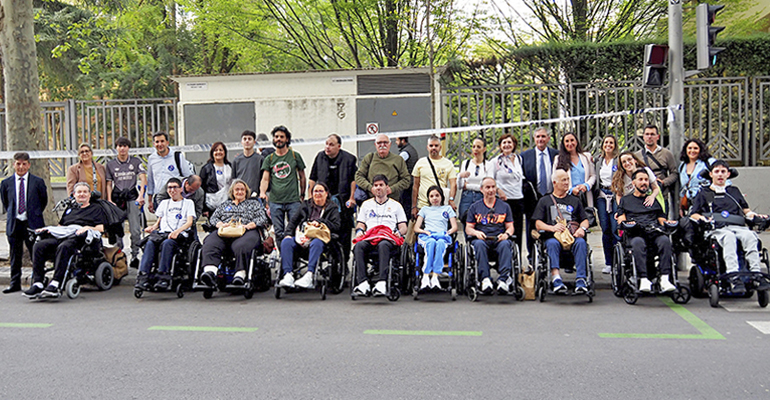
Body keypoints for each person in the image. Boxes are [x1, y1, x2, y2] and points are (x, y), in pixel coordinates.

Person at [690, 160, 770, 293]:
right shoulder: (704, 193)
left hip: (738, 227)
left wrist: (756, 216)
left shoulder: (734, 191)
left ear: (728, 174)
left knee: (750, 236)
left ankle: (756, 273)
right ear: (711, 174)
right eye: (717, 171)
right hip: (718, 229)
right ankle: (734, 276)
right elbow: (693, 215)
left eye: (723, 172)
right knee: (729, 238)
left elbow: (746, 211)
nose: (720, 175)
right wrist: (703, 219)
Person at [23, 182, 107, 299]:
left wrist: (87, 228)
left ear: (89, 195)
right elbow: (60, 226)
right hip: (64, 235)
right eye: (79, 192)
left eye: (84, 192)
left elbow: (100, 229)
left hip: (81, 239)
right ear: (74, 195)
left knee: (64, 247)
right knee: (39, 246)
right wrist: (49, 230)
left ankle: (56, 283)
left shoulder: (95, 208)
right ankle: (38, 282)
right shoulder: (70, 209)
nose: (82, 194)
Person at [616, 169, 677, 293]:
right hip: (635, 233)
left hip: (654, 232)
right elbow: (621, 219)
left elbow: (661, 219)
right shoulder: (626, 200)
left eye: (646, 180)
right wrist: (626, 223)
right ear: (633, 183)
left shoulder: (653, 201)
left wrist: (667, 223)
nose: (644, 182)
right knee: (638, 243)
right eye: (640, 179)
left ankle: (665, 278)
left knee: (665, 241)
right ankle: (643, 278)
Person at [198, 179, 270, 287]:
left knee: (241, 246)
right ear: (232, 192)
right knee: (210, 243)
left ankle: (240, 274)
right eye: (237, 190)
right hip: (226, 230)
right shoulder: (225, 205)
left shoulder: (253, 204)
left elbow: (263, 218)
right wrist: (219, 224)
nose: (239, 192)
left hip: (246, 230)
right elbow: (214, 218)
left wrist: (252, 224)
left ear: (246, 192)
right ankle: (210, 272)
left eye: (242, 190)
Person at [532, 170, 590, 294]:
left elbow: (584, 220)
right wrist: (552, 228)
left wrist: (582, 229)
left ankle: (581, 279)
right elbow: (538, 223)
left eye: (567, 179)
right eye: (563, 180)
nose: (567, 182)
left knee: (581, 243)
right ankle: (556, 278)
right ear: (554, 183)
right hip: (553, 237)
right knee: (552, 244)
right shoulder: (545, 201)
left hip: (572, 236)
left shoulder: (575, 200)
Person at [352, 175, 408, 297]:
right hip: (371, 237)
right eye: (376, 185)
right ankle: (363, 283)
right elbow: (360, 224)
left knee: (383, 245)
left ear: (387, 187)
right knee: (359, 246)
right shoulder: (366, 205)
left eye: (381, 185)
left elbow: (403, 226)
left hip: (388, 238)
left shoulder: (396, 205)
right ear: (372, 188)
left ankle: (382, 283)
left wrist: (399, 233)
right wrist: (359, 231)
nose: (378, 188)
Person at [135, 177, 196, 291]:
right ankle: (143, 277)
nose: (172, 190)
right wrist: (153, 227)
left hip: (179, 235)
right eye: (169, 188)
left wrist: (177, 232)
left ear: (180, 189)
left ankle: (163, 276)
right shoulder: (164, 203)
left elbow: (189, 222)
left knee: (167, 244)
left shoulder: (188, 203)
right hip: (163, 234)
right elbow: (159, 220)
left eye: (174, 187)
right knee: (149, 243)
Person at [278, 182, 341, 289]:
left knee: (316, 242)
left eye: (321, 191)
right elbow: (293, 221)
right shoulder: (306, 205)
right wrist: (288, 234)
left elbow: (336, 225)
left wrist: (321, 222)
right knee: (286, 242)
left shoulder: (332, 207)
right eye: (315, 191)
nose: (318, 193)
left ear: (326, 193)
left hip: (320, 240)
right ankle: (288, 274)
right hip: (303, 237)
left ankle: (309, 275)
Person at [1, 152, 48, 294]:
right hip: (15, 223)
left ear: (28, 165)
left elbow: (43, 201)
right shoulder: (6, 183)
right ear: (14, 164)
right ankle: (15, 282)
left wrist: (33, 214)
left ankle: (38, 281)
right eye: (18, 164)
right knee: (15, 254)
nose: (21, 167)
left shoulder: (37, 182)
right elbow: (6, 201)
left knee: (36, 252)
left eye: (24, 164)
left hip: (32, 223)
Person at [308, 133, 357, 259]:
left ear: (339, 146)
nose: (327, 147)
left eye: (331, 145)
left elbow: (353, 181)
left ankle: (344, 262)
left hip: (342, 200)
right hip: (324, 201)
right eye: (326, 144)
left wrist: (352, 198)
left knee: (344, 232)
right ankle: (328, 260)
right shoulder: (320, 157)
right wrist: (310, 197)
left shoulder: (349, 159)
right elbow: (312, 179)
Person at [465, 177, 515, 294]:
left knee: (506, 244)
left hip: (499, 238)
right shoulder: (475, 207)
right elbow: (468, 228)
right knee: (478, 244)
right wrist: (476, 232)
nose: (491, 190)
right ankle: (485, 279)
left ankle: (504, 279)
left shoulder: (504, 206)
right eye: (487, 187)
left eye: (493, 187)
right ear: (482, 189)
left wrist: (506, 234)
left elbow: (510, 226)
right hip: (482, 238)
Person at [105, 137, 147, 269]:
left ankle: (135, 255)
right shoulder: (111, 164)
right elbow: (108, 183)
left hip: (132, 197)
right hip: (117, 198)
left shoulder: (135, 161)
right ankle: (119, 256)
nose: (122, 148)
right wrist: (110, 199)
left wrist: (141, 196)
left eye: (125, 146)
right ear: (116, 148)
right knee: (118, 230)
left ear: (128, 148)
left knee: (135, 230)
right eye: (119, 146)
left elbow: (143, 178)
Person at [260, 125, 306, 239]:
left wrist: (303, 193)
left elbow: (302, 176)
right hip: (275, 201)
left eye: (281, 136)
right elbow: (265, 179)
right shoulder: (269, 159)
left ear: (287, 139)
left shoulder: (295, 156)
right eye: (276, 137)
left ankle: (294, 256)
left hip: (293, 201)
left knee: (294, 230)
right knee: (278, 232)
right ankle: (282, 256)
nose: (278, 139)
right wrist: (262, 192)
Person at [521, 127, 558, 257]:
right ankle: (532, 256)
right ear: (534, 138)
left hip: (551, 197)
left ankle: (552, 255)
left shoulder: (556, 154)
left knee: (553, 224)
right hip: (532, 198)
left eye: (543, 136)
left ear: (548, 138)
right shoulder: (525, 156)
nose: (540, 139)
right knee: (532, 227)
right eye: (538, 137)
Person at [414, 185, 458, 290]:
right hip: (428, 235)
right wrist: (425, 231)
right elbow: (416, 228)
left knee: (440, 244)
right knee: (431, 243)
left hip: (441, 235)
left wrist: (448, 232)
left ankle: (435, 276)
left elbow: (455, 226)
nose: (434, 198)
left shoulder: (447, 209)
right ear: (428, 198)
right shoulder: (424, 209)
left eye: (437, 195)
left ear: (441, 197)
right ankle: (425, 275)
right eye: (431, 196)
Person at [635, 124, 678, 217]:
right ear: (643, 137)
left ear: (657, 137)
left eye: (652, 134)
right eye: (647, 134)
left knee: (662, 223)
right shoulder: (637, 156)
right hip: (643, 196)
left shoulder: (666, 153)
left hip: (661, 195)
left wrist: (663, 182)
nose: (649, 137)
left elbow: (674, 173)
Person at [146, 131, 194, 213]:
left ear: (167, 142)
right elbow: (150, 180)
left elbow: (188, 177)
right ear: (154, 144)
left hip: (176, 196)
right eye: (157, 142)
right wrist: (150, 200)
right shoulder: (151, 159)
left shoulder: (177, 156)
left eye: (162, 141)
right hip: (160, 197)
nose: (160, 144)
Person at [411, 134, 458, 218]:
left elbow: (453, 184)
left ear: (440, 147)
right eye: (431, 145)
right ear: (427, 147)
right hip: (423, 205)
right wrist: (414, 206)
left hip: (440, 205)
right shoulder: (420, 163)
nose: (433, 148)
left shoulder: (448, 163)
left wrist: (451, 199)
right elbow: (415, 186)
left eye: (436, 145)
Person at [492, 133, 525, 252]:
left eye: (509, 142)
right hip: (503, 200)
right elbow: (490, 180)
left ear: (514, 145)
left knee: (517, 231)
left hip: (518, 198)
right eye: (504, 143)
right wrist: (499, 190)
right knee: (503, 230)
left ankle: (517, 258)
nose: (507, 145)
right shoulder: (495, 161)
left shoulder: (519, 159)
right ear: (500, 146)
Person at [355, 134, 411, 201]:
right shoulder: (369, 158)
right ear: (375, 145)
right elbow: (358, 176)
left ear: (390, 144)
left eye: (385, 142)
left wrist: (391, 189)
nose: (382, 145)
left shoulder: (398, 160)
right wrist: (371, 188)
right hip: (372, 201)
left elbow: (406, 180)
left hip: (392, 201)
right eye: (379, 143)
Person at [594, 135, 619, 274]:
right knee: (605, 229)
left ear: (615, 145)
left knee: (615, 228)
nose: (608, 145)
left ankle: (617, 262)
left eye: (611, 142)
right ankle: (608, 262)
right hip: (602, 196)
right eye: (606, 142)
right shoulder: (598, 160)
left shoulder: (618, 160)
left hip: (615, 195)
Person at [552, 132, 596, 207]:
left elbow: (593, 175)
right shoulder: (558, 159)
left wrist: (586, 185)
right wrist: (571, 189)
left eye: (572, 140)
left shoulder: (586, 157)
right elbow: (554, 178)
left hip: (585, 195)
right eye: (567, 141)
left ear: (576, 142)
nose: (570, 143)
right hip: (568, 195)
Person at [458, 137, 494, 222]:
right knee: (465, 220)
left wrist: (468, 185)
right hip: (467, 196)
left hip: (482, 197)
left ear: (484, 149)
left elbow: (488, 186)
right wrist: (460, 176)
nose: (475, 149)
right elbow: (461, 185)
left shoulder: (488, 165)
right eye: (474, 147)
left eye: (478, 147)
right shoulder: (466, 164)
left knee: (481, 222)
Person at [678, 138, 715, 216]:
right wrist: (681, 207)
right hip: (690, 203)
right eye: (689, 148)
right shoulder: (682, 166)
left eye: (695, 148)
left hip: (705, 202)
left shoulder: (708, 162)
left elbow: (723, 177)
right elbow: (682, 189)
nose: (692, 151)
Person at [200, 141, 232, 214]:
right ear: (212, 153)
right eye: (216, 150)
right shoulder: (206, 169)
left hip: (228, 203)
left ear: (225, 152)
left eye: (221, 150)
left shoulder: (230, 166)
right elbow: (202, 188)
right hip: (212, 204)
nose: (218, 152)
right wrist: (204, 208)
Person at [231, 130, 264, 197]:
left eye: (249, 139)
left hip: (255, 196)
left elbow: (264, 179)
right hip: (240, 196)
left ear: (254, 142)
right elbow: (234, 180)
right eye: (245, 139)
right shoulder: (236, 160)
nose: (247, 141)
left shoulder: (260, 159)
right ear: (241, 142)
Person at [396, 136, 419, 215]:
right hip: (411, 182)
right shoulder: (411, 149)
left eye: (397, 140)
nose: (396, 142)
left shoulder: (405, 152)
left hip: (407, 184)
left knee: (405, 207)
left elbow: (397, 164)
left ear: (402, 141)